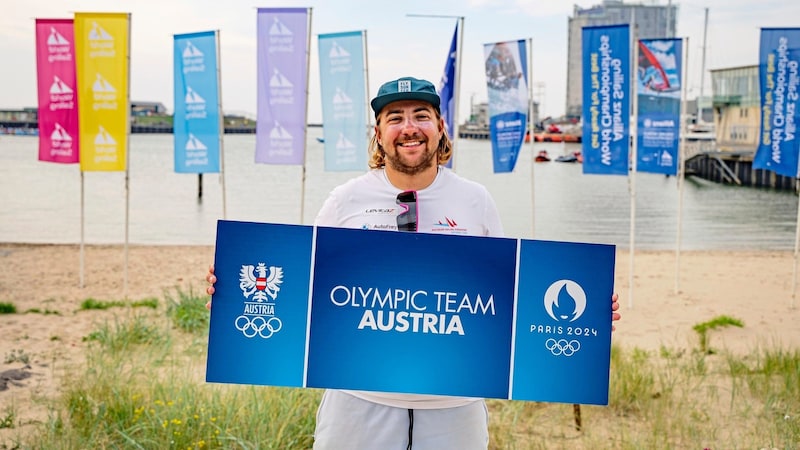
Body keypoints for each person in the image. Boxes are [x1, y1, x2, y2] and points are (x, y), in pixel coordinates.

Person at [205, 76, 621, 449]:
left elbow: (509, 291)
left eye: (421, 115)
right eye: (395, 118)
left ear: (440, 128)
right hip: (359, 397)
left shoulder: (475, 200)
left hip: (454, 400)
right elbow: (304, 283)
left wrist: (592, 312)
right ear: (379, 134)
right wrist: (231, 295)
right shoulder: (346, 200)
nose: (409, 127)